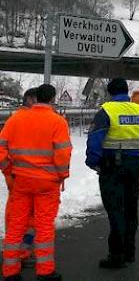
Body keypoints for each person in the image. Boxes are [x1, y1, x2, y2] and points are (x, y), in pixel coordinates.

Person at [0, 84, 72, 281]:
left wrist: (9, 170)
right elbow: (62, 154)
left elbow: (2, 148)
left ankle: (10, 272)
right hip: (47, 184)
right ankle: (45, 272)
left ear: (35, 98)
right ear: (51, 99)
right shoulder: (58, 122)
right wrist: (61, 175)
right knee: (44, 227)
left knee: (16, 226)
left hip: (21, 181)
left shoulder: (16, 119)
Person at [85, 78, 139, 269]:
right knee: (131, 210)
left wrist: (94, 163)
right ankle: (129, 252)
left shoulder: (107, 111)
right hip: (134, 168)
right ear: (127, 92)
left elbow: (94, 141)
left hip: (111, 169)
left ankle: (116, 254)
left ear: (110, 93)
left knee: (115, 210)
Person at [2, 88, 39, 268]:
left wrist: (9, 172)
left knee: (17, 217)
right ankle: (20, 252)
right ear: (30, 99)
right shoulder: (25, 120)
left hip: (19, 178)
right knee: (25, 218)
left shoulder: (14, 120)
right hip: (27, 179)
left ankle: (18, 252)